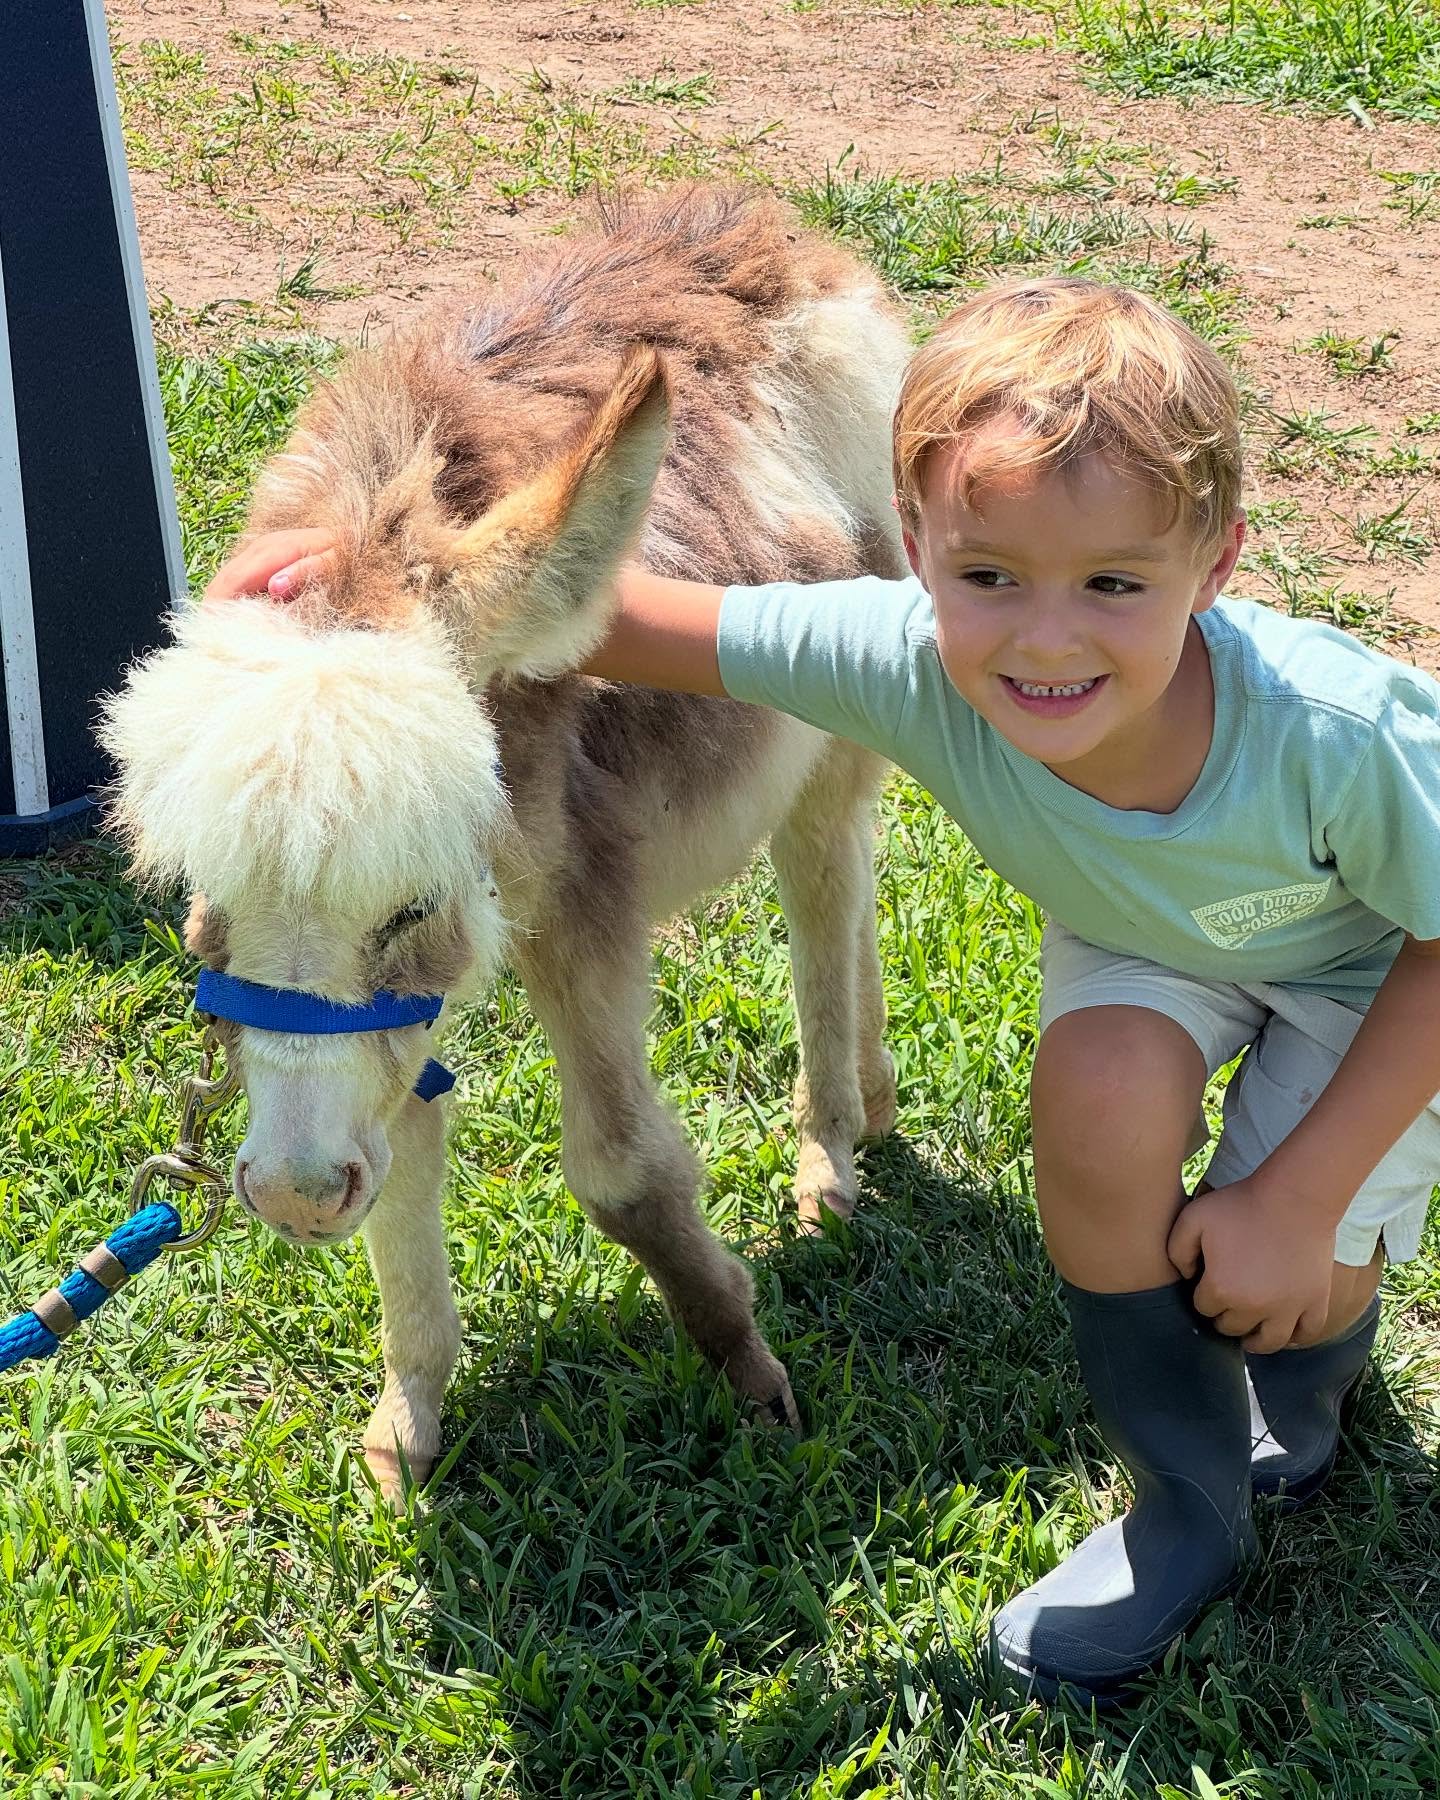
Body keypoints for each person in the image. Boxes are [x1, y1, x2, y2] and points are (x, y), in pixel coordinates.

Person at [205, 277, 1440, 1706]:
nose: (1045, 639)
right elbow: (597, 614)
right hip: (1156, 941)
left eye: (1112, 583)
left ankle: (1315, 1389)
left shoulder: (1333, 736)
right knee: (1095, 1111)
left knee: (1288, 1277)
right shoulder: (905, 656)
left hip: (1371, 963)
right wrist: (359, 581)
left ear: (1219, 566)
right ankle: (1183, 1509)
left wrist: (1298, 1203)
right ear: (912, 552)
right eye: (990, 578)